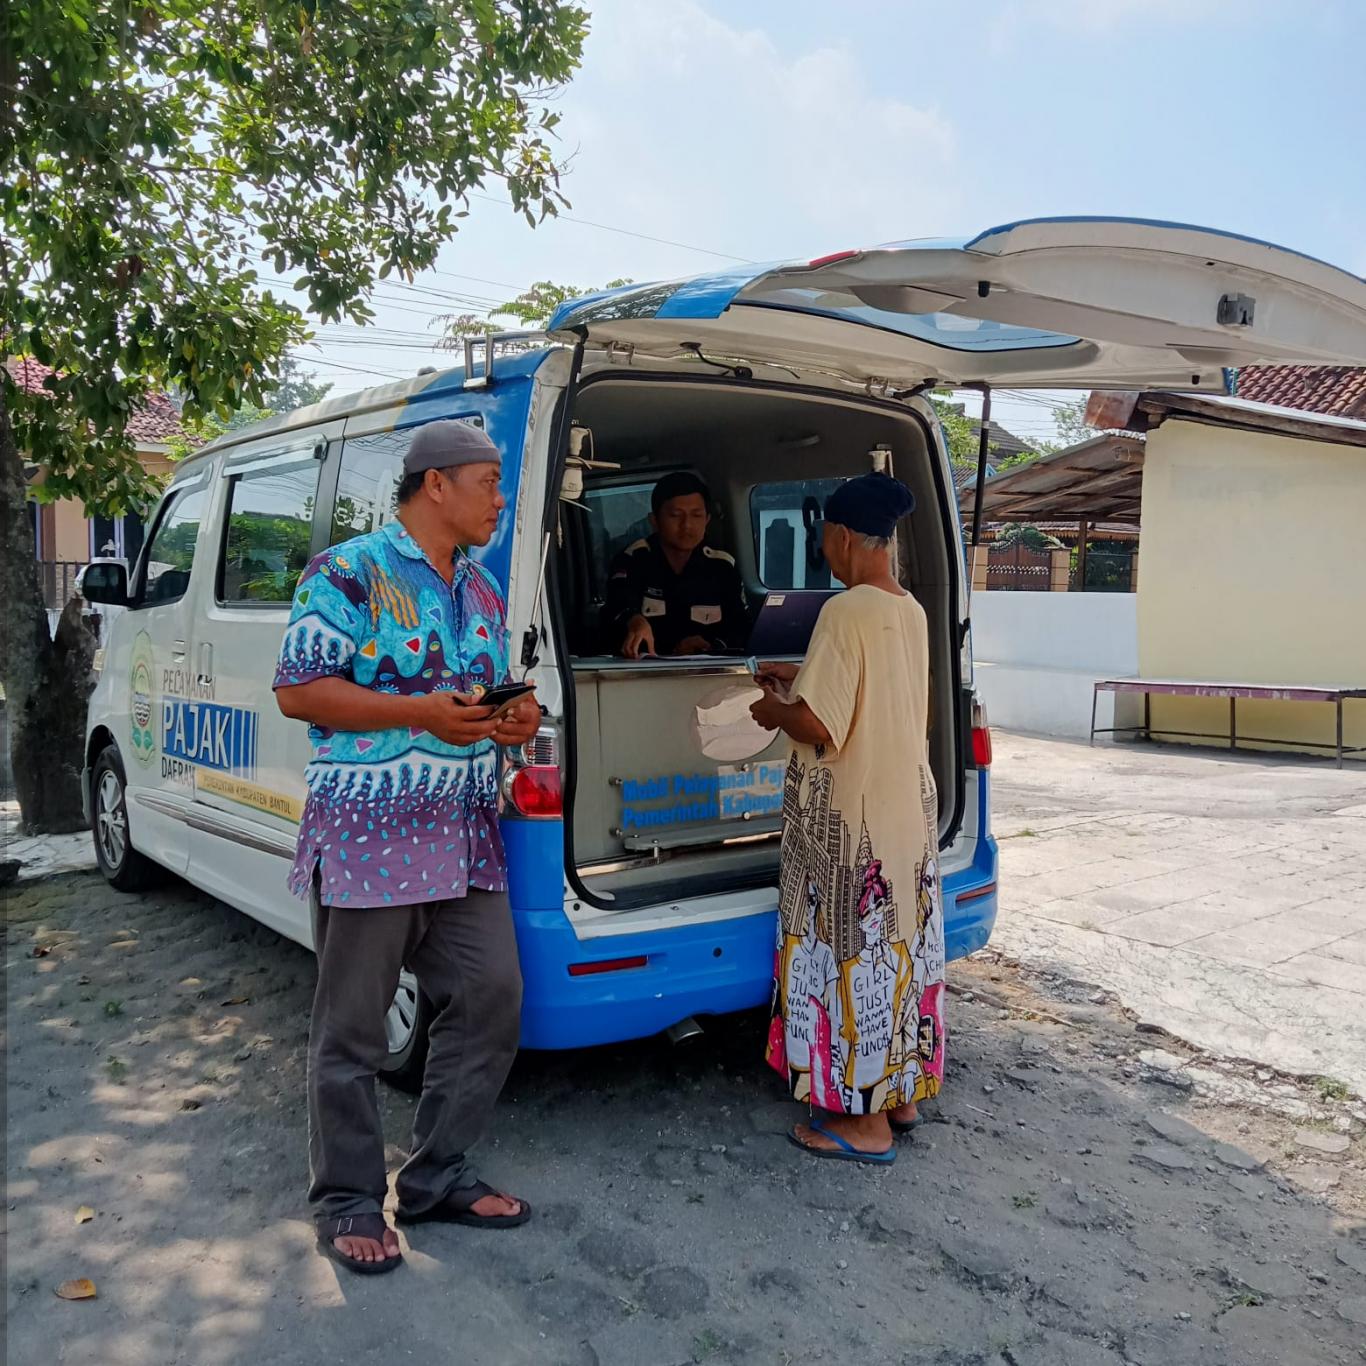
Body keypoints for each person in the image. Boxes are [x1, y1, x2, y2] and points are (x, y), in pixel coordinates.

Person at [274, 420, 542, 1274]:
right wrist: (418, 713)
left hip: (463, 834)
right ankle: (347, 1199)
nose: (500, 499)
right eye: (489, 482)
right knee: (353, 1032)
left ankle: (435, 1177)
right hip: (370, 835)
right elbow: (299, 690)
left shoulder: (482, 589)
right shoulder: (347, 571)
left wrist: (515, 717)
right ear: (436, 484)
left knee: (492, 997)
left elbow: (483, 696)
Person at [750, 472, 945, 1164]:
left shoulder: (845, 610)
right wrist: (798, 677)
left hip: (849, 822)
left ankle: (865, 1126)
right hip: (906, 818)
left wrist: (773, 709)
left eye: (825, 540)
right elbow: (869, 693)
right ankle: (903, 1095)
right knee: (899, 955)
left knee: (851, 962)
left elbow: (819, 725)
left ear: (839, 537)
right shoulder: (908, 609)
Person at [602, 471, 750, 658]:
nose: (687, 525)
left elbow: (740, 627)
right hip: (646, 669)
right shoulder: (633, 560)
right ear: (654, 520)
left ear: (707, 520)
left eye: (696, 515)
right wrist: (634, 619)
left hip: (708, 669)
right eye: (675, 515)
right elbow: (617, 605)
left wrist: (712, 646)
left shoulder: (722, 566)